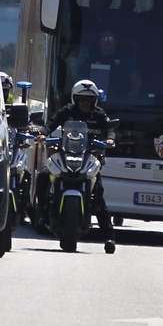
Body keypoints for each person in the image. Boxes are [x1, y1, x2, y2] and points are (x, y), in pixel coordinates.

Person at [46, 79, 116, 253]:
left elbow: (109, 128)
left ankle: (109, 237)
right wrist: (42, 133)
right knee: (43, 177)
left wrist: (110, 139)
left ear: (94, 100)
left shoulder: (99, 114)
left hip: (90, 157)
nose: (85, 102)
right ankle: (42, 216)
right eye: (81, 99)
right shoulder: (67, 111)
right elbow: (51, 123)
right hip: (66, 155)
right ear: (74, 99)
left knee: (98, 194)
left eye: (89, 99)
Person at [81, 29, 142, 97]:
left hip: (119, 99)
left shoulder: (125, 60)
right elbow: (82, 81)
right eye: (104, 38)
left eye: (111, 39)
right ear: (100, 41)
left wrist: (134, 92)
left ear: (116, 41)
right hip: (94, 98)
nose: (107, 41)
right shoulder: (90, 61)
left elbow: (136, 79)